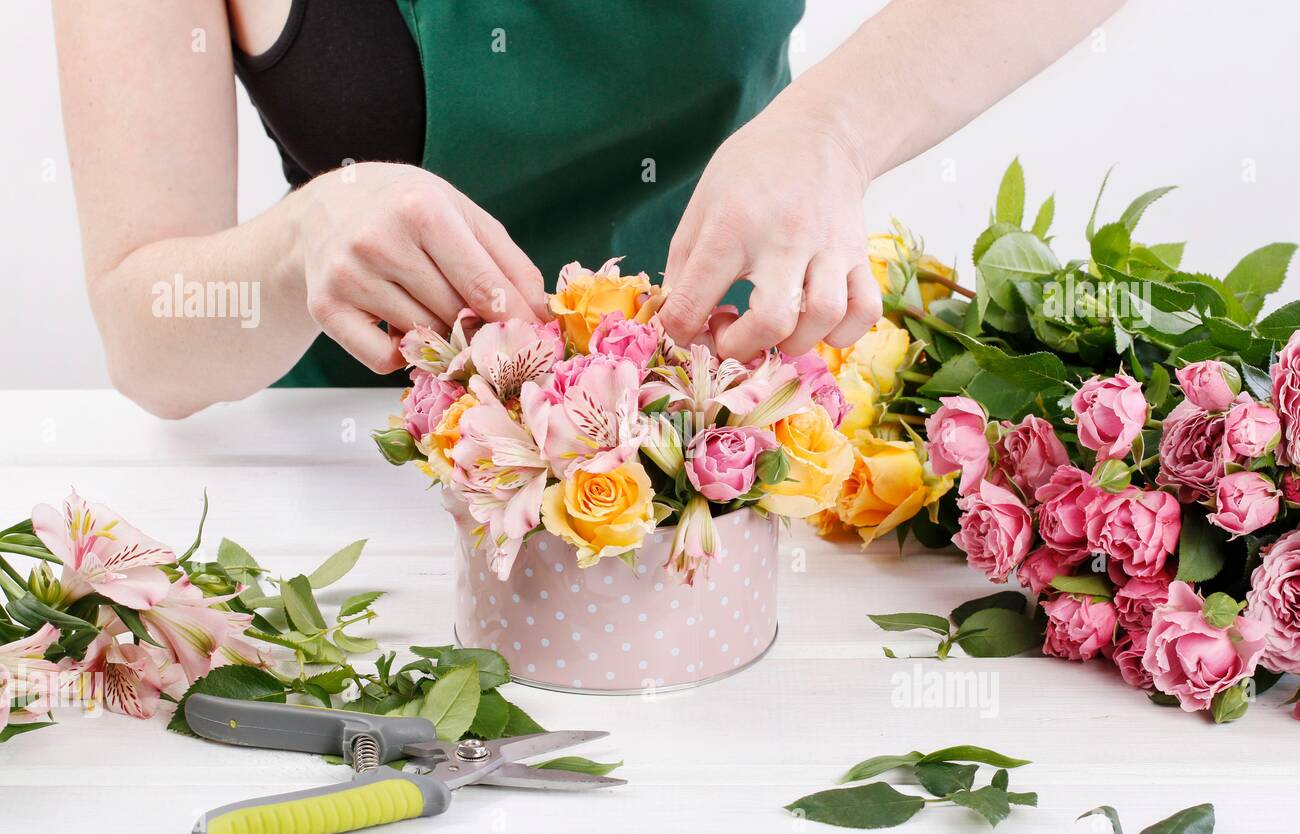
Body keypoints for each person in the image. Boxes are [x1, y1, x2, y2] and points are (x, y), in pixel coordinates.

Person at [53, 0, 1122, 419]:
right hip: (361, 453)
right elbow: (149, 341)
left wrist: (834, 130)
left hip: (754, 421)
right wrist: (302, 240)